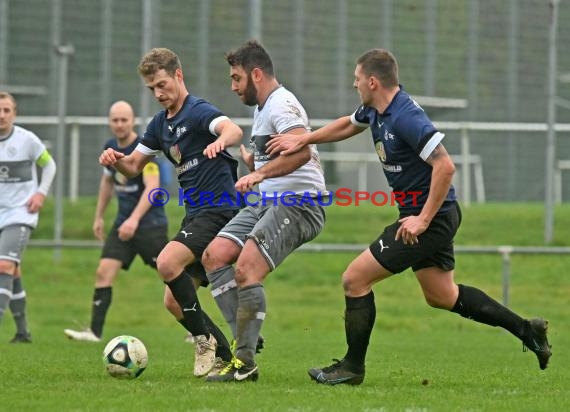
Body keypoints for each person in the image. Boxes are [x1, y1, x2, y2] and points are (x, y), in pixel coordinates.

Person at [266, 48, 552, 385]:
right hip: (431, 216)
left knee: (354, 279)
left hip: (430, 218)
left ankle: (351, 368)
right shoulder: (375, 111)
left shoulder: (405, 116)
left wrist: (422, 220)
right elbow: (348, 124)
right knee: (442, 295)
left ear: (373, 82)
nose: (354, 85)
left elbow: (445, 166)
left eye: (357, 80)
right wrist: (304, 139)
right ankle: (527, 330)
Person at [99, 48, 242, 377]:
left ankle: (203, 340)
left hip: (219, 209)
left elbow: (233, 130)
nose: (158, 94)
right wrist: (115, 159)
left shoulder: (198, 111)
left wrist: (221, 141)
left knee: (166, 261)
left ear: (178, 75)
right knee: (173, 301)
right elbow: (134, 166)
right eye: (152, 89)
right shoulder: (159, 125)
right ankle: (227, 356)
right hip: (195, 215)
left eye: (163, 85)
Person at [202, 40, 328, 382]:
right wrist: (254, 163)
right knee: (214, 256)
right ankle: (247, 339)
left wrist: (258, 173)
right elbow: (279, 157)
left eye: (237, 78)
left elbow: (302, 151)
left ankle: (243, 363)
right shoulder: (263, 109)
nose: (233, 86)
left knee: (246, 270)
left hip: (300, 203)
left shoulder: (282, 105)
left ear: (256, 74)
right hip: (268, 201)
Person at [64, 100, 170, 343]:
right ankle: (94, 332)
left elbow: (152, 189)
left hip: (149, 225)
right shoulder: (110, 147)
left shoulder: (144, 148)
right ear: (110, 122)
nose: (120, 124)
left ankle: (194, 329)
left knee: (170, 273)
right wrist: (99, 216)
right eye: (115, 120)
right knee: (103, 272)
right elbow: (107, 183)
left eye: (124, 119)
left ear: (132, 121)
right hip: (122, 225)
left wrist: (134, 220)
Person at [0, 91, 56, 343]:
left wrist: (41, 194)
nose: (2, 115)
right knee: (13, 270)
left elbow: (49, 165)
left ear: (14, 113)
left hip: (20, 213)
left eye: (7, 110)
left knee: (3, 266)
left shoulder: (27, 140)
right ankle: (23, 332)